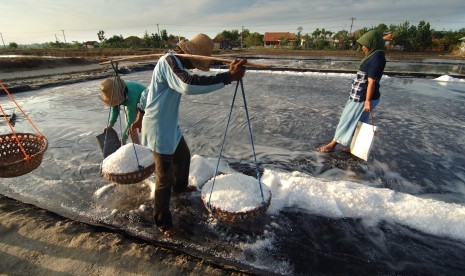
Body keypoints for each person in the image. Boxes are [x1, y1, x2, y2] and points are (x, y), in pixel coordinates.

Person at [128, 33, 247, 237]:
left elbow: (147, 93)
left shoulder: (173, 63)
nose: (193, 67)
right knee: (164, 177)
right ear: (191, 55)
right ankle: (163, 223)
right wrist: (228, 77)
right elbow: (188, 84)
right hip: (158, 128)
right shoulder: (169, 61)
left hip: (169, 124)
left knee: (182, 156)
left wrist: (139, 115)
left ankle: (180, 188)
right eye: (195, 63)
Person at [316, 30, 388, 153]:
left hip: (362, 97)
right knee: (361, 123)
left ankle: (332, 145)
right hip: (361, 96)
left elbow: (371, 81)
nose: (363, 48)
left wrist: (366, 101)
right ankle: (356, 149)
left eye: (364, 45)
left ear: (371, 44)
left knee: (346, 120)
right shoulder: (376, 54)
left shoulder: (376, 58)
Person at [99, 77, 146, 145]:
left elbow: (131, 119)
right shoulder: (114, 92)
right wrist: (110, 124)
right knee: (131, 129)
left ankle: (147, 148)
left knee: (136, 125)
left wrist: (124, 137)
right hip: (131, 102)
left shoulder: (130, 93)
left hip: (145, 102)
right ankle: (137, 146)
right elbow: (115, 109)